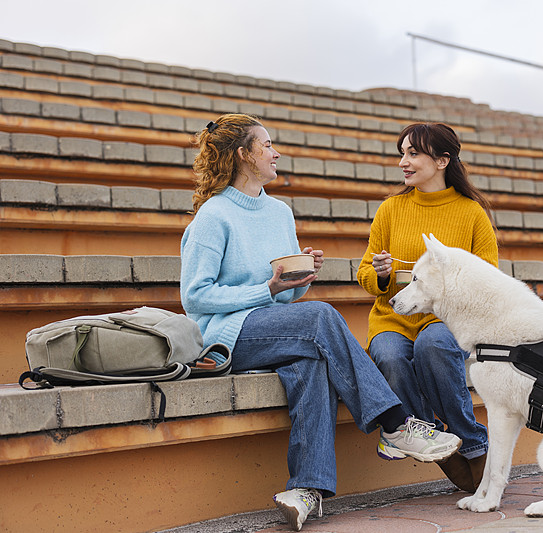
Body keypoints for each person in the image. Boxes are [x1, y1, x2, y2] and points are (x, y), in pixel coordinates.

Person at [180, 114, 461, 531]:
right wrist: (269, 290)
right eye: (267, 145)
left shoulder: (278, 212)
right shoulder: (213, 217)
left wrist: (298, 278)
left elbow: (287, 294)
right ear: (243, 155)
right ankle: (396, 424)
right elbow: (196, 298)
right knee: (321, 317)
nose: (276, 153)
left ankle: (305, 489)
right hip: (228, 335)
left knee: (312, 364)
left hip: (277, 325)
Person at [356, 123, 498, 493]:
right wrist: (382, 274)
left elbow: (489, 278)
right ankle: (431, 438)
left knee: (433, 345)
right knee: (387, 354)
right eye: (402, 152)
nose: (403, 162)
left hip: (448, 318)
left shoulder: (472, 214)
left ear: (442, 160)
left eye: (413, 153)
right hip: (393, 317)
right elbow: (365, 273)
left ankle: (472, 442)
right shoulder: (390, 209)